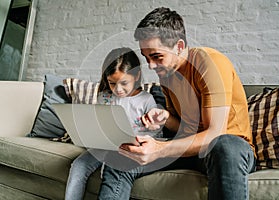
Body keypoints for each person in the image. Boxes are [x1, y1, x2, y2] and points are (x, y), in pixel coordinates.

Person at [99, 7, 256, 200]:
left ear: (179, 46)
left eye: (156, 56)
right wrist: (165, 119)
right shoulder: (167, 75)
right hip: (189, 150)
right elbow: (183, 129)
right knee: (123, 155)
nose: (151, 66)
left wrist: (159, 149)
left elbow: (215, 133)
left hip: (229, 151)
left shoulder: (210, 63)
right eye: (146, 57)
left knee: (224, 145)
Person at [64, 47, 159, 200]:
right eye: (112, 83)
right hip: (105, 146)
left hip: (130, 149)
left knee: (115, 164)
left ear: (137, 75)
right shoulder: (105, 97)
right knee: (78, 165)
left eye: (124, 83)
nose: (118, 90)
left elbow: (155, 133)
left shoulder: (146, 99)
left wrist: (151, 127)